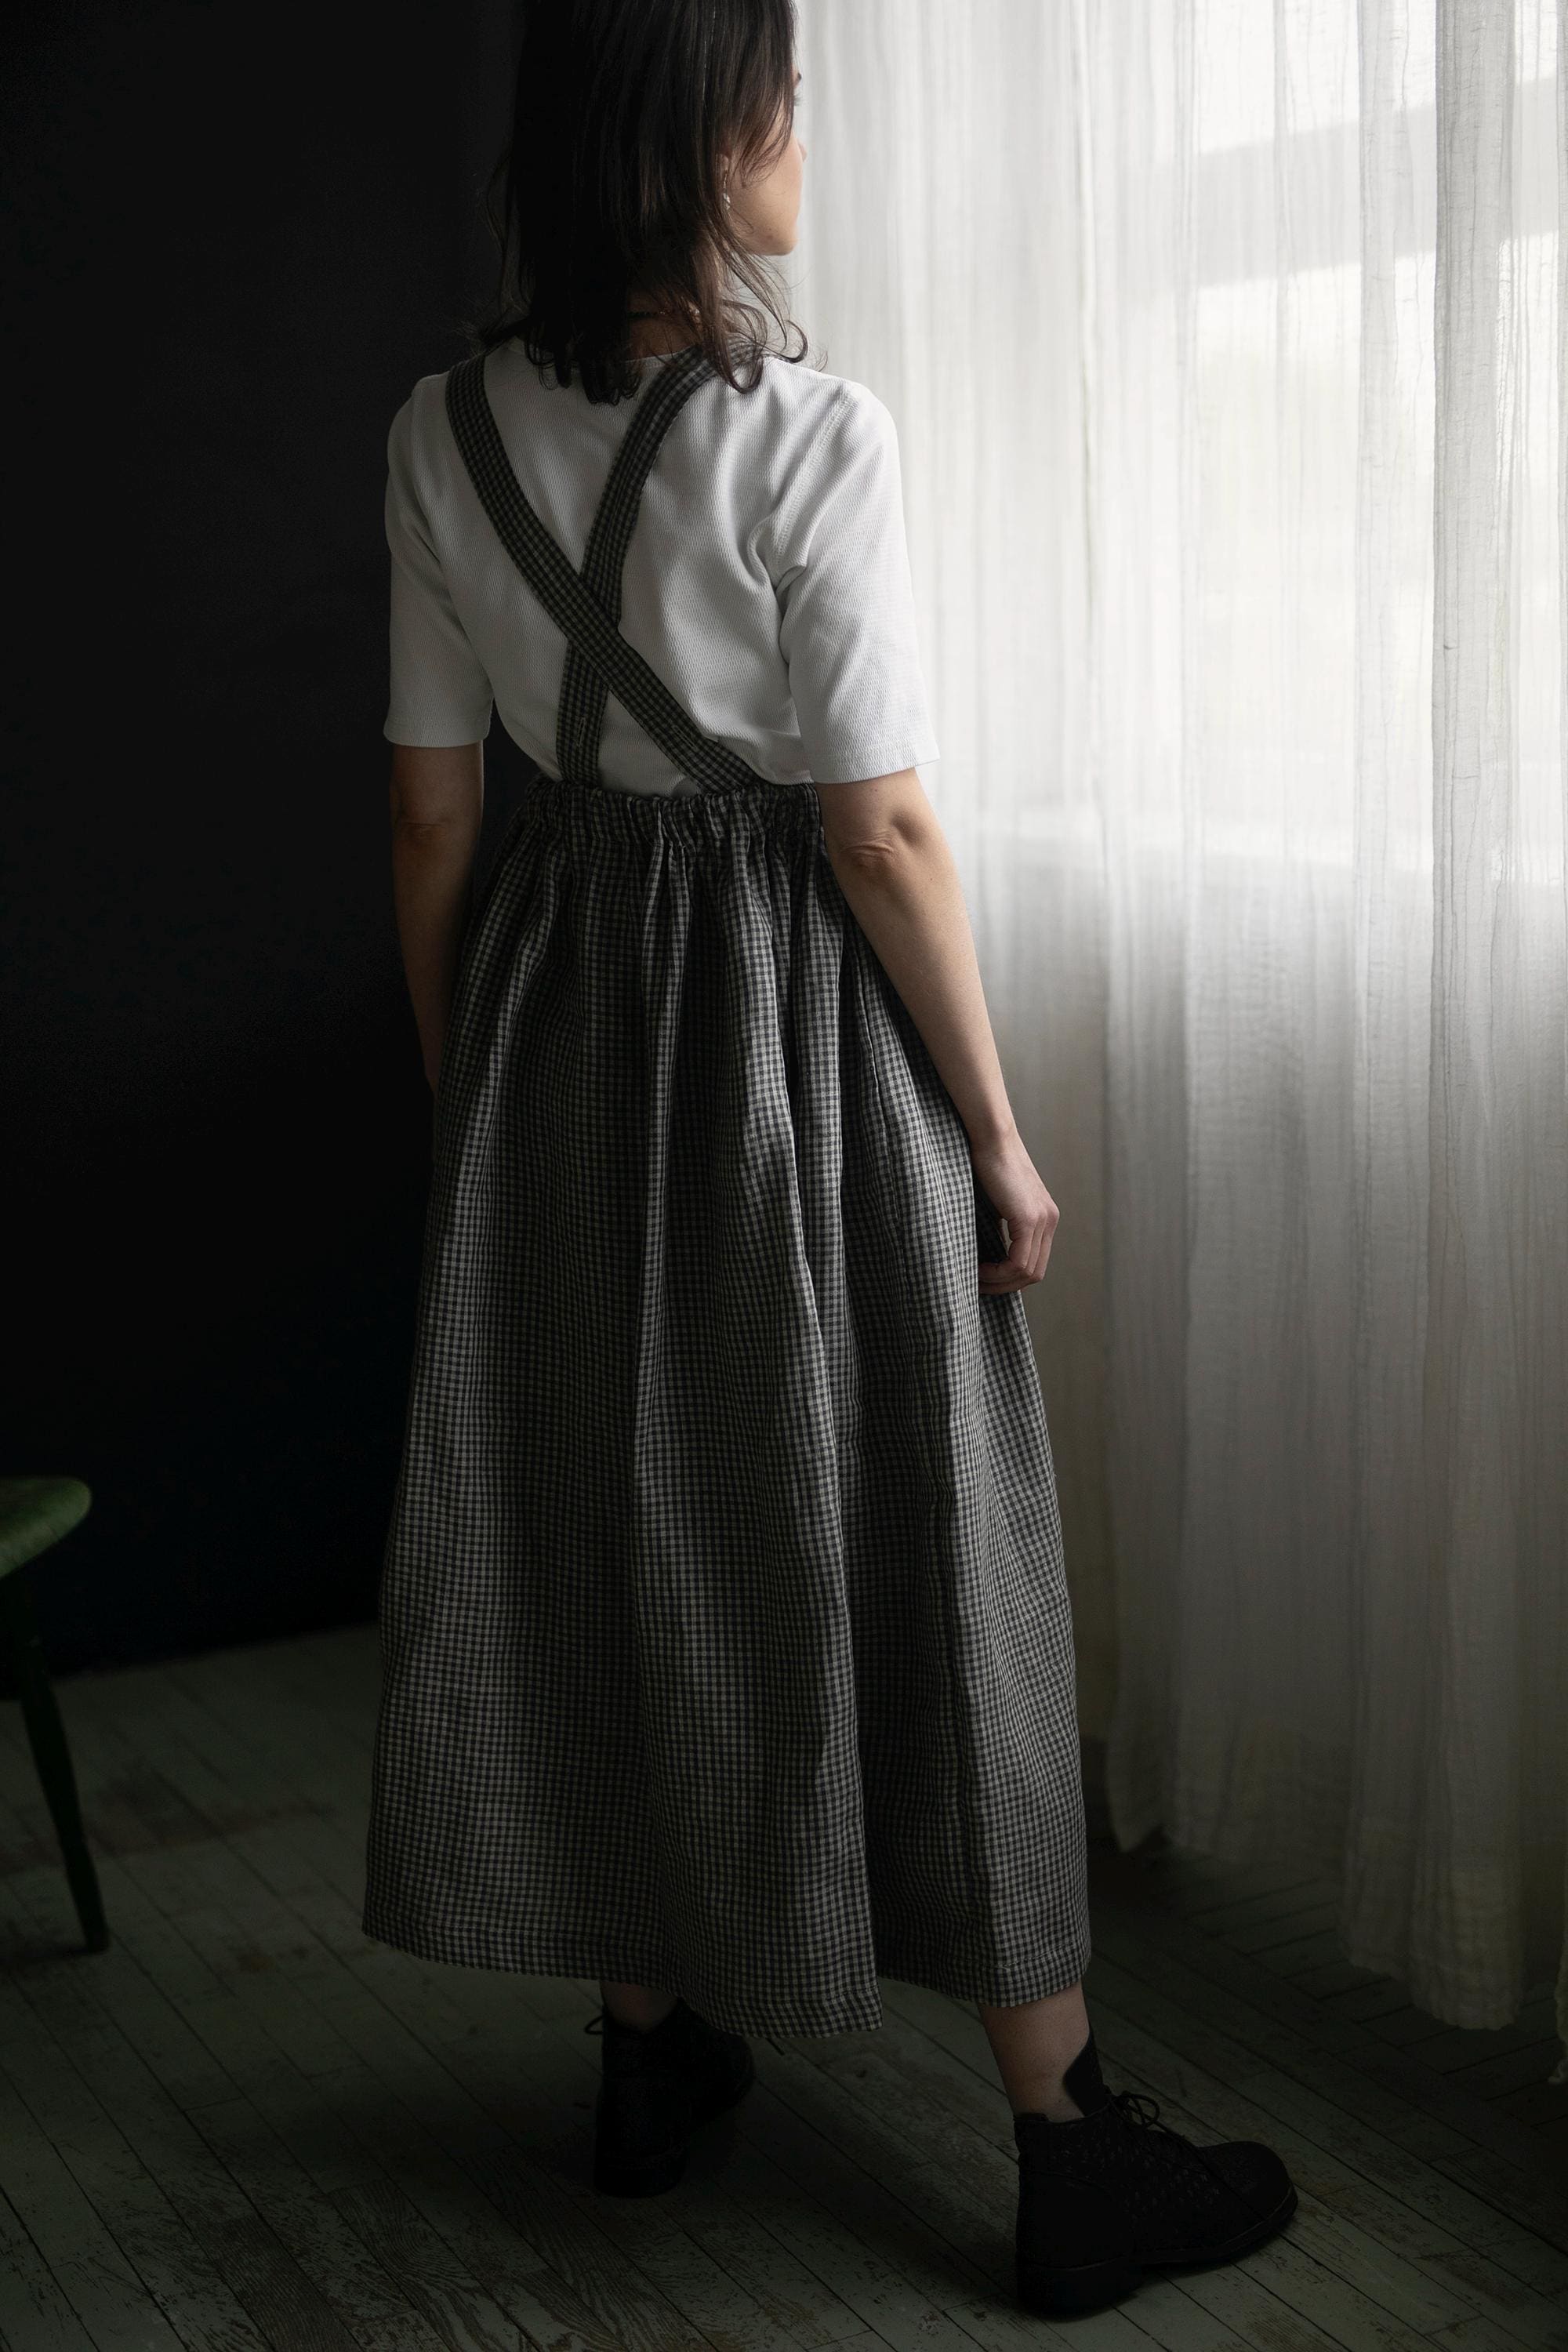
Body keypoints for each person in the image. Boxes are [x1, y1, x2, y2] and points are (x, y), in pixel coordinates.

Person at [361, 0, 1297, 2318]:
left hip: (560, 1027)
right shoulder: (812, 431)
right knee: (930, 1525)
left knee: (625, 1509)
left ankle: (647, 2050)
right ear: (707, 137)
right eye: (783, 96)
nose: (807, 132)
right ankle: (1062, 2137)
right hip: (791, 1023)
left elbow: (431, 819)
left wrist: (474, 1101)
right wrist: (998, 1130)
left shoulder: (437, 430)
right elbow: (877, 829)